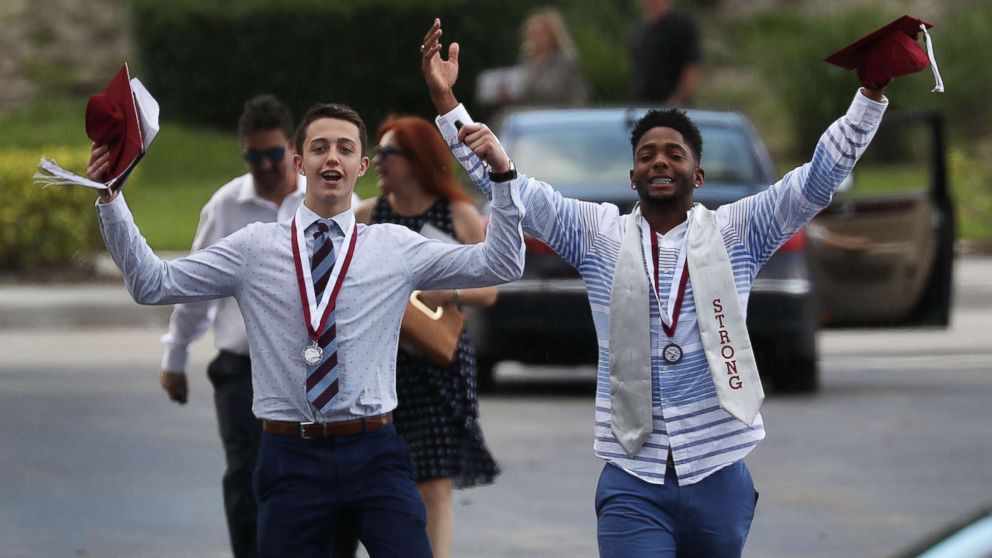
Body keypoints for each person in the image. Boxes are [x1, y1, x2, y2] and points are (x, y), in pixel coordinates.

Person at [421, 17, 888, 556]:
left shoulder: (739, 230)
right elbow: (516, 191)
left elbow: (817, 180)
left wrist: (869, 94)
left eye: (675, 154)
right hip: (632, 475)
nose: (660, 161)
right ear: (633, 177)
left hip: (718, 468)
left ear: (698, 175)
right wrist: (447, 104)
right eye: (646, 155)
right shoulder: (599, 234)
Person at [87, 101, 526, 557]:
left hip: (373, 451)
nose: (331, 158)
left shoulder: (393, 247)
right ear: (300, 163)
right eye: (319, 148)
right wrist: (111, 199)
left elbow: (502, 263)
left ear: (362, 166)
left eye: (344, 149)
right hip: (290, 455)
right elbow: (152, 283)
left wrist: (501, 175)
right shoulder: (255, 248)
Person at [156, 94, 302, 558]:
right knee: (249, 475)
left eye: (273, 154)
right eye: (253, 156)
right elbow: (195, 286)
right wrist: (175, 357)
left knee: (320, 480)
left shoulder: (329, 199)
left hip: (313, 369)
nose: (264, 165)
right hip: (244, 369)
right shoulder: (226, 206)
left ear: (293, 148)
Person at [354, 116, 501, 558]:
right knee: (384, 482)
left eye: (388, 154)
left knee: (436, 486)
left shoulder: (456, 214)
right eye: (377, 152)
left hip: (441, 363)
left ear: (417, 161)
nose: (378, 162)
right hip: (382, 365)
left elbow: (489, 289)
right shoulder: (367, 215)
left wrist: (438, 290)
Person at [630, 0, 702, 106]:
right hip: (643, 105)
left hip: (672, 106)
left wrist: (678, 100)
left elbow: (693, 66)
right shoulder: (641, 27)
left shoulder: (682, 24)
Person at [517, 7, 588, 106]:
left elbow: (579, 96)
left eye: (539, 34)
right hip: (531, 117)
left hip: (558, 116)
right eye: (532, 34)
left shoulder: (566, 61)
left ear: (552, 35)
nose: (535, 39)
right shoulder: (526, 60)